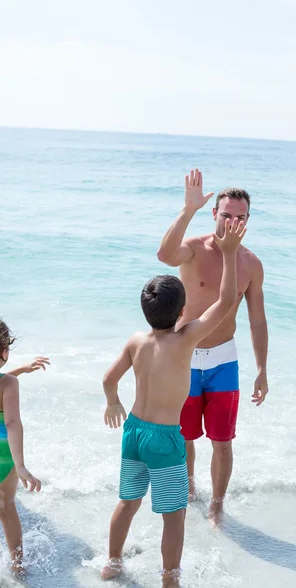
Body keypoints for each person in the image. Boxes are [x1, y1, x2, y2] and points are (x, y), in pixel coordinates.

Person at [101, 218, 246, 587]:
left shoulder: (136, 341)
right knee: (174, 513)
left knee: (128, 502)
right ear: (182, 310)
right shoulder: (186, 339)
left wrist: (113, 402)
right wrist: (229, 255)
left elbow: (108, 379)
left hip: (134, 430)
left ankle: (112, 563)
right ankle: (170, 578)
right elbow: (227, 301)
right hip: (166, 439)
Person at [157, 169, 269, 524]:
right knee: (184, 435)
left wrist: (263, 370)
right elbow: (164, 255)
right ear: (214, 214)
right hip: (184, 359)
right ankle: (189, 488)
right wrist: (187, 210)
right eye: (226, 215)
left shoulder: (250, 263)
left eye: (240, 217)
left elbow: (257, 320)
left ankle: (217, 504)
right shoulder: (193, 250)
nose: (233, 222)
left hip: (224, 362)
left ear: (248, 220)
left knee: (223, 441)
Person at [0, 319, 50, 574]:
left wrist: (20, 370)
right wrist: (20, 465)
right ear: (5, 350)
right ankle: (17, 565)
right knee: (6, 506)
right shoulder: (8, 384)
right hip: (3, 455)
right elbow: (11, 422)